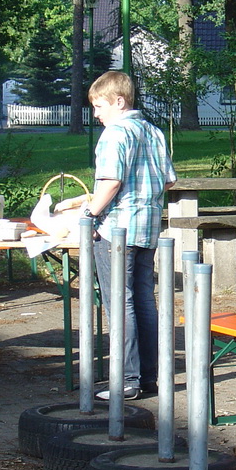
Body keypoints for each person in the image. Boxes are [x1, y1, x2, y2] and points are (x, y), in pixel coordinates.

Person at [55, 70, 176, 400]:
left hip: (115, 231)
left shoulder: (114, 134)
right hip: (148, 228)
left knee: (118, 303)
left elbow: (110, 182)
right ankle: (150, 376)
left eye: (98, 106)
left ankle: (127, 379)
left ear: (119, 101)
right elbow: (167, 181)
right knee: (143, 301)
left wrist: (89, 212)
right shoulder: (153, 131)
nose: (95, 114)